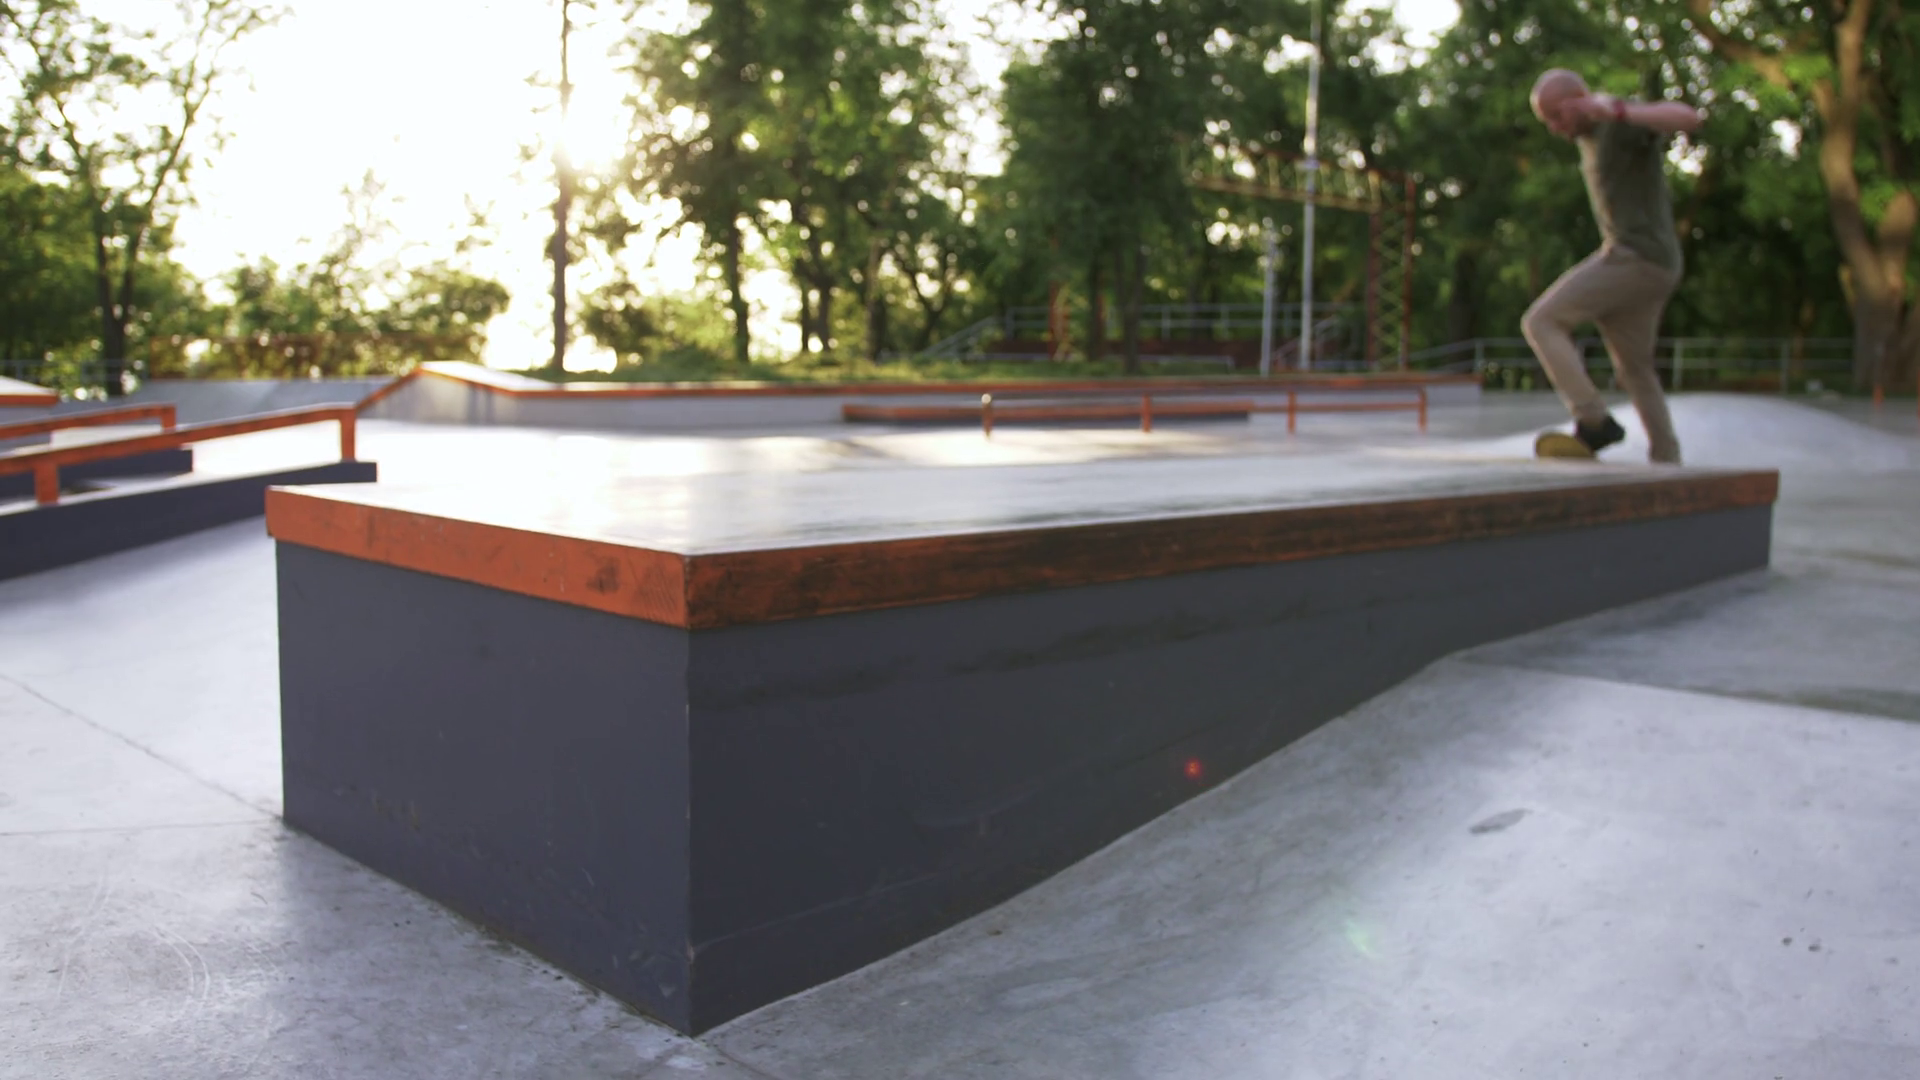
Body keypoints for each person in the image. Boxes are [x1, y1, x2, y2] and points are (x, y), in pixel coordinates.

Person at [1523, 69, 1703, 463]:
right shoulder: (1588, 136)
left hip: (1634, 257)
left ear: (1578, 100)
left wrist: (1618, 110)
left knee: (1542, 321)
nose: (1554, 128)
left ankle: (1593, 420)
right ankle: (1667, 459)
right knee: (1635, 370)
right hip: (1655, 264)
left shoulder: (1615, 124)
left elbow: (1688, 117)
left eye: (1557, 116)